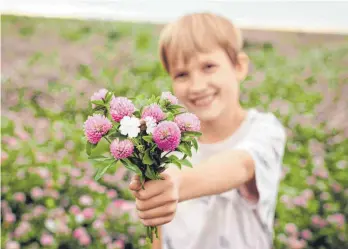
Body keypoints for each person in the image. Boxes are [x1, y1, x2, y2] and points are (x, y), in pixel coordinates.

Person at [129, 12, 287, 249]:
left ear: (239, 66)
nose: (197, 86)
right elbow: (158, 233)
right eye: (182, 74)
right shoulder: (164, 143)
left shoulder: (264, 130)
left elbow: (241, 165)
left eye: (209, 67)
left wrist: (178, 183)